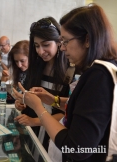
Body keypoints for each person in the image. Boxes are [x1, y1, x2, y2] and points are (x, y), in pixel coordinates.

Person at [13, 3, 117, 162]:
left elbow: (76, 148)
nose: (62, 48)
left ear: (87, 39)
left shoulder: (98, 75)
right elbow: (84, 109)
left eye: (66, 41)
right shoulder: (105, 69)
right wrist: (52, 100)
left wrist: (39, 108)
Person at [14, 17, 71, 151]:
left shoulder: (70, 72)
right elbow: (29, 97)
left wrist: (35, 121)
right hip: (31, 132)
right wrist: (23, 103)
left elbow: (67, 112)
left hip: (53, 136)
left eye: (46, 45)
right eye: (37, 45)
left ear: (59, 42)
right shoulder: (35, 68)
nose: (40, 51)